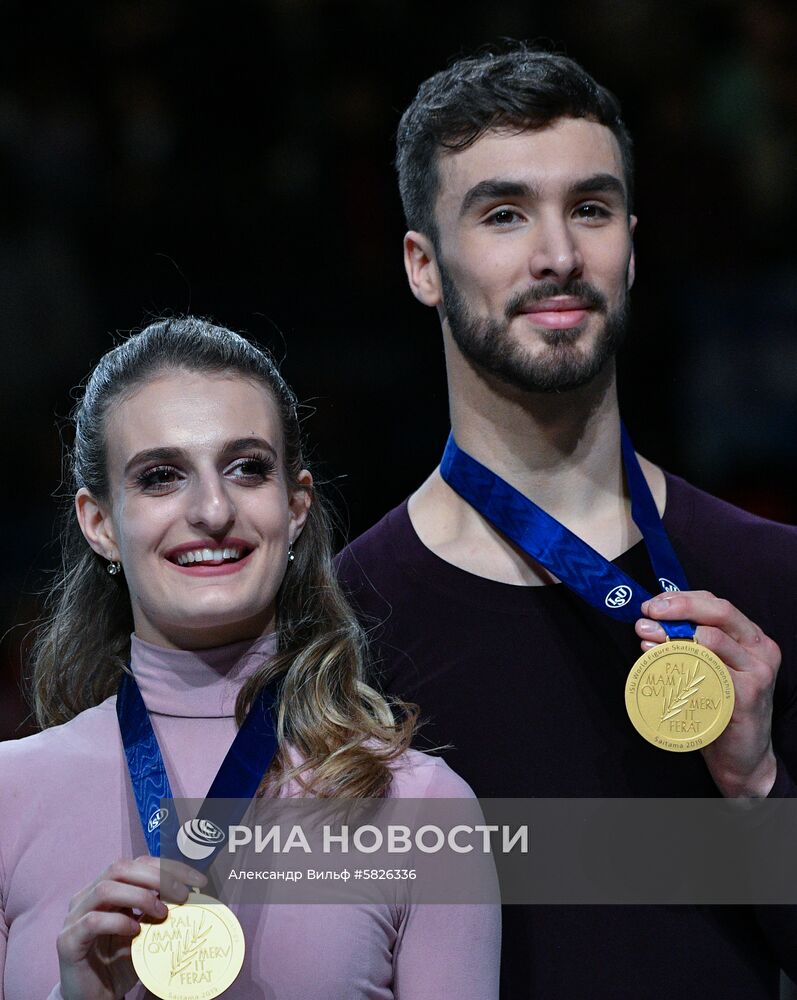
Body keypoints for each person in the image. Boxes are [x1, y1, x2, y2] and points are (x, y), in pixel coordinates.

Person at [335, 44, 797, 999]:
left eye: (588, 209)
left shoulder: (770, 577)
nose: (557, 254)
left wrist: (756, 789)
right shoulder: (343, 624)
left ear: (630, 242)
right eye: (503, 214)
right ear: (423, 264)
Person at [0, 316, 500, 1000]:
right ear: (99, 524)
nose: (212, 509)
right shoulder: (9, 799)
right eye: (160, 476)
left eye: (246, 468)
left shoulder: (419, 807)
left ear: (294, 508)